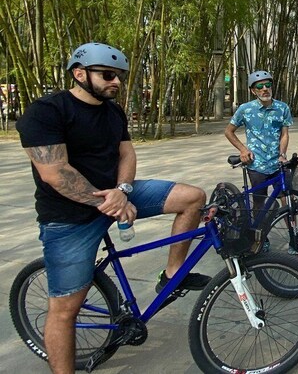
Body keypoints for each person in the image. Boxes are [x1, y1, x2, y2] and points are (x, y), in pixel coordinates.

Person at [16, 42, 210, 374]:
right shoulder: (47, 111)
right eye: (108, 75)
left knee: (193, 197)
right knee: (65, 310)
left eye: (119, 76)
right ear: (79, 74)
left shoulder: (113, 112)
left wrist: (122, 190)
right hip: (69, 217)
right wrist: (109, 202)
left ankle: (172, 275)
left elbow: (127, 155)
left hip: (117, 196)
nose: (116, 82)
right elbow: (55, 173)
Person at [224, 70, 298, 256]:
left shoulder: (282, 108)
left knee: (288, 201)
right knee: (260, 205)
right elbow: (229, 131)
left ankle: (294, 240)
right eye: (260, 86)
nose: (265, 89)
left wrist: (282, 154)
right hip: (256, 165)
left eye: (268, 85)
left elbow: (284, 134)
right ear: (252, 90)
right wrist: (243, 150)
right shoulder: (245, 109)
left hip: (279, 164)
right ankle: (260, 240)